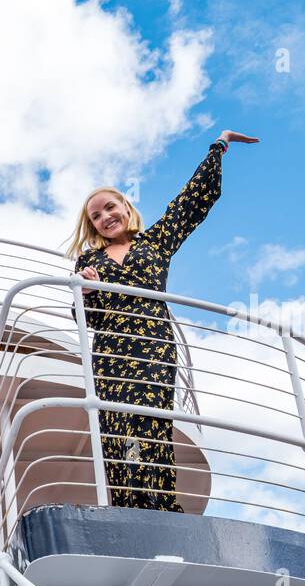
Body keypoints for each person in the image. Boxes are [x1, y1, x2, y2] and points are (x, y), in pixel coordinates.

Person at [68, 130, 258, 511]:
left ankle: (161, 506)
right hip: (111, 356)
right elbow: (85, 318)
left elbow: (191, 202)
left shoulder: (154, 242)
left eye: (110, 207)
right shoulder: (88, 262)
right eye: (96, 216)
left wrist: (219, 145)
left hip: (153, 348)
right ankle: (127, 508)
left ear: (125, 207)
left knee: (151, 426)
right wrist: (83, 292)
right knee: (118, 431)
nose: (105, 217)